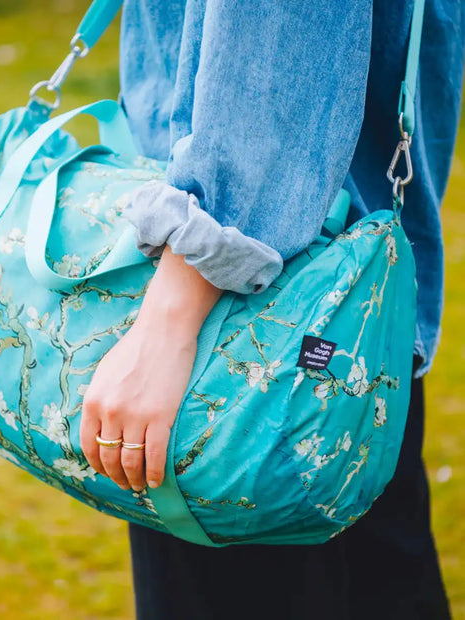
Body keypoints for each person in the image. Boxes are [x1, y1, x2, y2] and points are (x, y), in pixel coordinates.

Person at [79, 1, 465, 618]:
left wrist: (172, 315)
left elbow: (275, 45)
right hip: (354, 308)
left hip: (247, 328)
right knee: (379, 579)